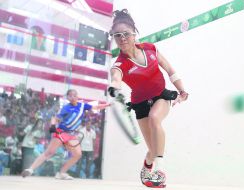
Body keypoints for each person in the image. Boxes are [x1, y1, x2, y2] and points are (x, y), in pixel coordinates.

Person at [108, 9, 189, 188]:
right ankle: (147, 170)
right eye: (117, 35)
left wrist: (182, 90)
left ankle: (160, 170)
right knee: (152, 149)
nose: (122, 38)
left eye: (126, 34)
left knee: (155, 118)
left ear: (134, 33)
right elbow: (116, 79)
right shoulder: (119, 64)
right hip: (140, 104)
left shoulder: (151, 48)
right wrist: (113, 89)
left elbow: (169, 69)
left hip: (160, 96)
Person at [21, 89, 110, 180]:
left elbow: (96, 107)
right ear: (67, 97)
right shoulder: (66, 108)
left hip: (71, 135)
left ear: (77, 96)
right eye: (70, 95)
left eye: (74, 95)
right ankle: (30, 169)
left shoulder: (83, 105)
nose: (73, 97)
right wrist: (52, 125)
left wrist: (107, 105)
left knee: (77, 154)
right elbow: (55, 118)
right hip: (61, 132)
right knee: (49, 152)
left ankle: (61, 173)